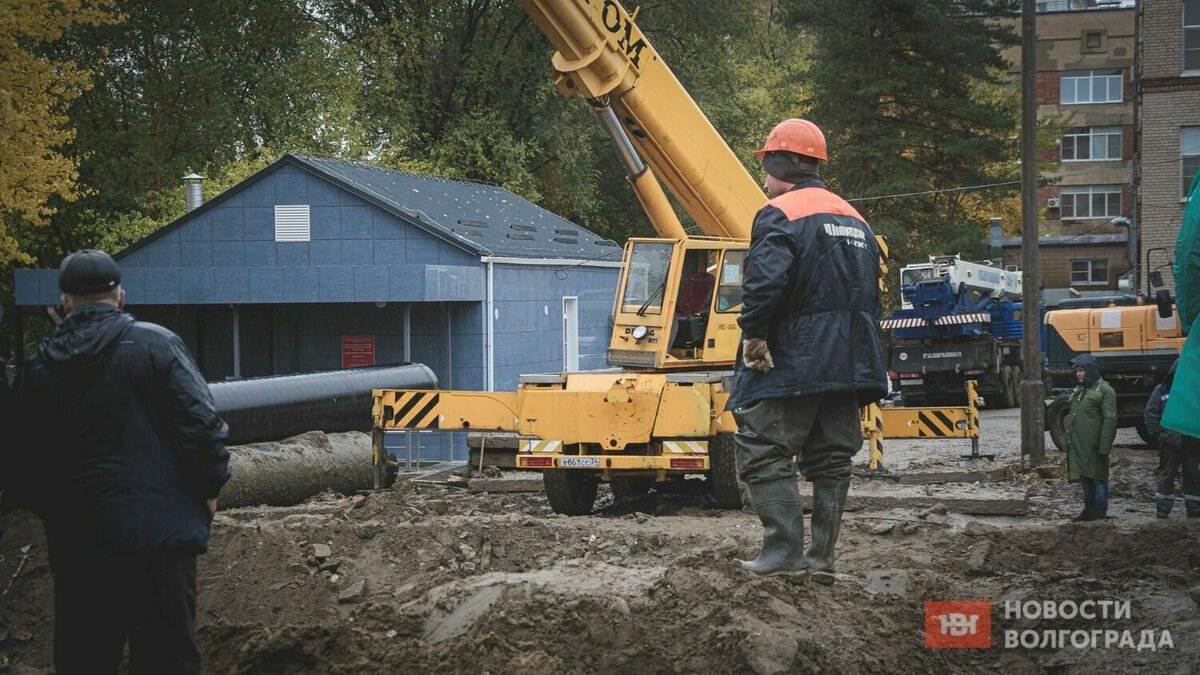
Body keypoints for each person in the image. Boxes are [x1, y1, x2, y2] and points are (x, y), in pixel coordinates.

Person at [5, 250, 230, 674]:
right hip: (161, 544)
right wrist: (208, 489)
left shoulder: (38, 370)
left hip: (82, 547)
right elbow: (203, 426)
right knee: (167, 661)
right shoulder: (156, 345)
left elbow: (20, 465)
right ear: (121, 296)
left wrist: (61, 514)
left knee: (85, 659)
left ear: (65, 302)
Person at [726, 119, 886, 583]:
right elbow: (870, 294)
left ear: (785, 163)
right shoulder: (854, 216)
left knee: (762, 446)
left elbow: (763, 282)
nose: (763, 179)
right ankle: (821, 560)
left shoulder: (780, 212)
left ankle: (783, 552)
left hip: (797, 358)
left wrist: (754, 335)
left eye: (766, 166)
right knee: (832, 457)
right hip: (852, 359)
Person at [1063, 354, 1117, 522]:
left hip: (1095, 444)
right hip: (1080, 444)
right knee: (1085, 475)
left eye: (1081, 370)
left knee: (1099, 477)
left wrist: (1104, 446)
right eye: (1076, 371)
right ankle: (1089, 509)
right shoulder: (1080, 391)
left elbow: (1110, 419)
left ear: (1090, 371)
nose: (1078, 374)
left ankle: (1100, 511)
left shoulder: (1105, 391)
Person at [1144, 360, 1200, 518]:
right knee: (1167, 475)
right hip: (1170, 443)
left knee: (1193, 476)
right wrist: (1158, 435)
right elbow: (1151, 413)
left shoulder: (1194, 392)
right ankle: (1163, 508)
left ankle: (1195, 508)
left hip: (1191, 443)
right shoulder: (1161, 390)